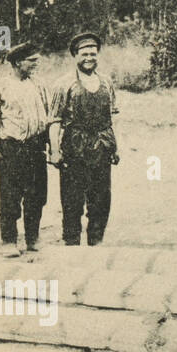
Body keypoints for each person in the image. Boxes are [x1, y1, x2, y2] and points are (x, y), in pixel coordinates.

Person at [49, 32, 120, 246]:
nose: (89, 57)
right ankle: (72, 243)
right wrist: (54, 151)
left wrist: (115, 146)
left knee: (100, 199)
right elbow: (54, 121)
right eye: (84, 54)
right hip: (74, 146)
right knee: (72, 200)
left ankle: (96, 241)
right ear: (75, 56)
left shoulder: (106, 82)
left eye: (93, 53)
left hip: (102, 145)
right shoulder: (64, 84)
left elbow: (113, 118)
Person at [0, 42, 51, 255]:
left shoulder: (39, 85)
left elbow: (47, 117)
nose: (36, 64)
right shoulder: (0, 87)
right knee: (10, 196)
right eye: (31, 60)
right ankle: (8, 241)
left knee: (37, 196)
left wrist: (50, 146)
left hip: (36, 147)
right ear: (17, 63)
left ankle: (32, 238)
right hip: (12, 148)